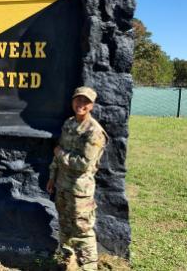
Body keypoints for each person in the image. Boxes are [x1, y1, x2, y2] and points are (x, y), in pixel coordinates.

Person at [46, 86, 108, 271]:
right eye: (78, 100)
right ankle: (68, 261)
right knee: (64, 225)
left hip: (79, 190)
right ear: (73, 101)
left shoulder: (94, 131)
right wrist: (52, 177)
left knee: (82, 229)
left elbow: (85, 164)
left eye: (85, 102)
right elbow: (57, 155)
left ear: (92, 105)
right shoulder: (69, 123)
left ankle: (88, 267)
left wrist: (61, 154)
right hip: (62, 185)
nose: (81, 104)